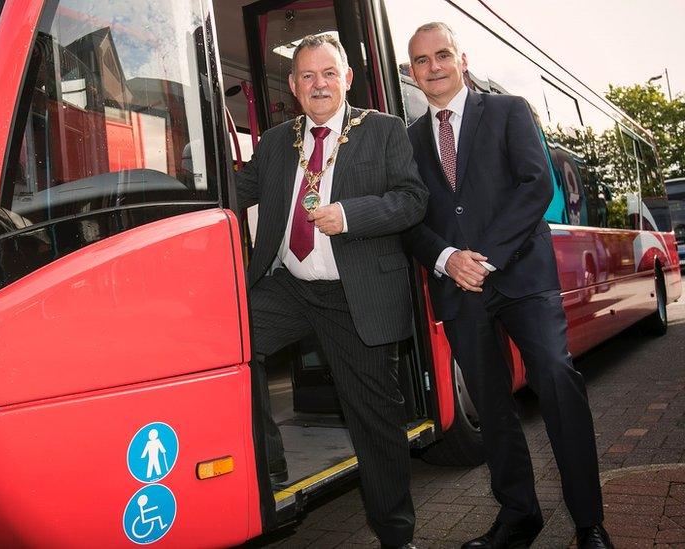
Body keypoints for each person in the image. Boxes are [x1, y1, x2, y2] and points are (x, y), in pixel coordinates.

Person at [403, 22, 612, 549]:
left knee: (557, 378)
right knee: (492, 406)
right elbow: (409, 216)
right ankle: (519, 516)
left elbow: (536, 184)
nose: (434, 67)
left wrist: (484, 258)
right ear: (412, 72)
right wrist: (449, 260)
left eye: (442, 54)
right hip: (458, 288)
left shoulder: (508, 110)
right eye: (422, 60)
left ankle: (589, 522)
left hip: (521, 275)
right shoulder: (406, 140)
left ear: (461, 59)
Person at [234, 34, 427, 549]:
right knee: (228, 342)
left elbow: (412, 200)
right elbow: (232, 195)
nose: (318, 84)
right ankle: (267, 462)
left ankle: (396, 535)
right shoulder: (277, 142)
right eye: (306, 76)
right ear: (293, 87)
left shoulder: (384, 131)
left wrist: (351, 215)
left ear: (346, 79)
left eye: (328, 73)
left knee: (374, 418)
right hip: (290, 288)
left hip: (353, 295)